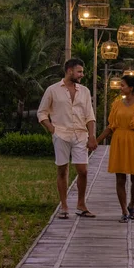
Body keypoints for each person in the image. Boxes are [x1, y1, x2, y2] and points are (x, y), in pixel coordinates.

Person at [37, 58, 98, 219]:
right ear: (69, 71)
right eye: (79, 71)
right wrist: (52, 129)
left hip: (80, 134)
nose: (82, 75)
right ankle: (64, 206)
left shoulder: (84, 91)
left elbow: (89, 115)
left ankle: (81, 204)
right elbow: (42, 113)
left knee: (83, 171)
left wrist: (92, 136)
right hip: (61, 134)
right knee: (62, 170)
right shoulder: (52, 90)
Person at [96, 75, 134, 223]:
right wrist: (97, 141)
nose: (120, 88)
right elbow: (110, 126)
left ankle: (132, 204)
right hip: (119, 140)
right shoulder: (117, 104)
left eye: (122, 85)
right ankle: (124, 210)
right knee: (120, 178)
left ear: (131, 88)